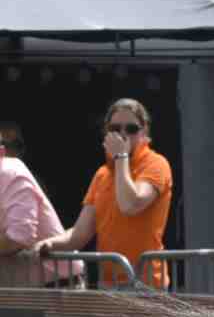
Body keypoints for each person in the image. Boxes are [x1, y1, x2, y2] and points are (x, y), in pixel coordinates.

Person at [35, 98, 173, 288]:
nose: (123, 134)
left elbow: (130, 205)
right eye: (115, 129)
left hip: (146, 285)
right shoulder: (102, 174)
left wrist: (121, 156)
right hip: (109, 285)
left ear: (144, 133)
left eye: (131, 129)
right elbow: (79, 234)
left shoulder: (156, 164)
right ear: (106, 133)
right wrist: (49, 244)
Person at [1, 136, 83, 289]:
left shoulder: (10, 173)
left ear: (1, 152)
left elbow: (19, 237)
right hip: (20, 291)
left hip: (56, 289)